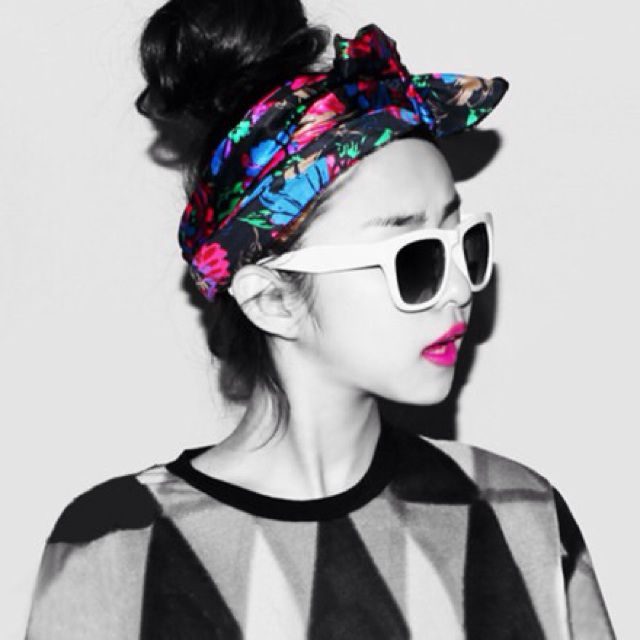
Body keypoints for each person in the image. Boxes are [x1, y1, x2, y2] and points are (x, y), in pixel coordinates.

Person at [24, 1, 616, 638]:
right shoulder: (116, 547)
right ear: (271, 300)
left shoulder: (520, 514)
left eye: (464, 243)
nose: (458, 291)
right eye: (413, 257)